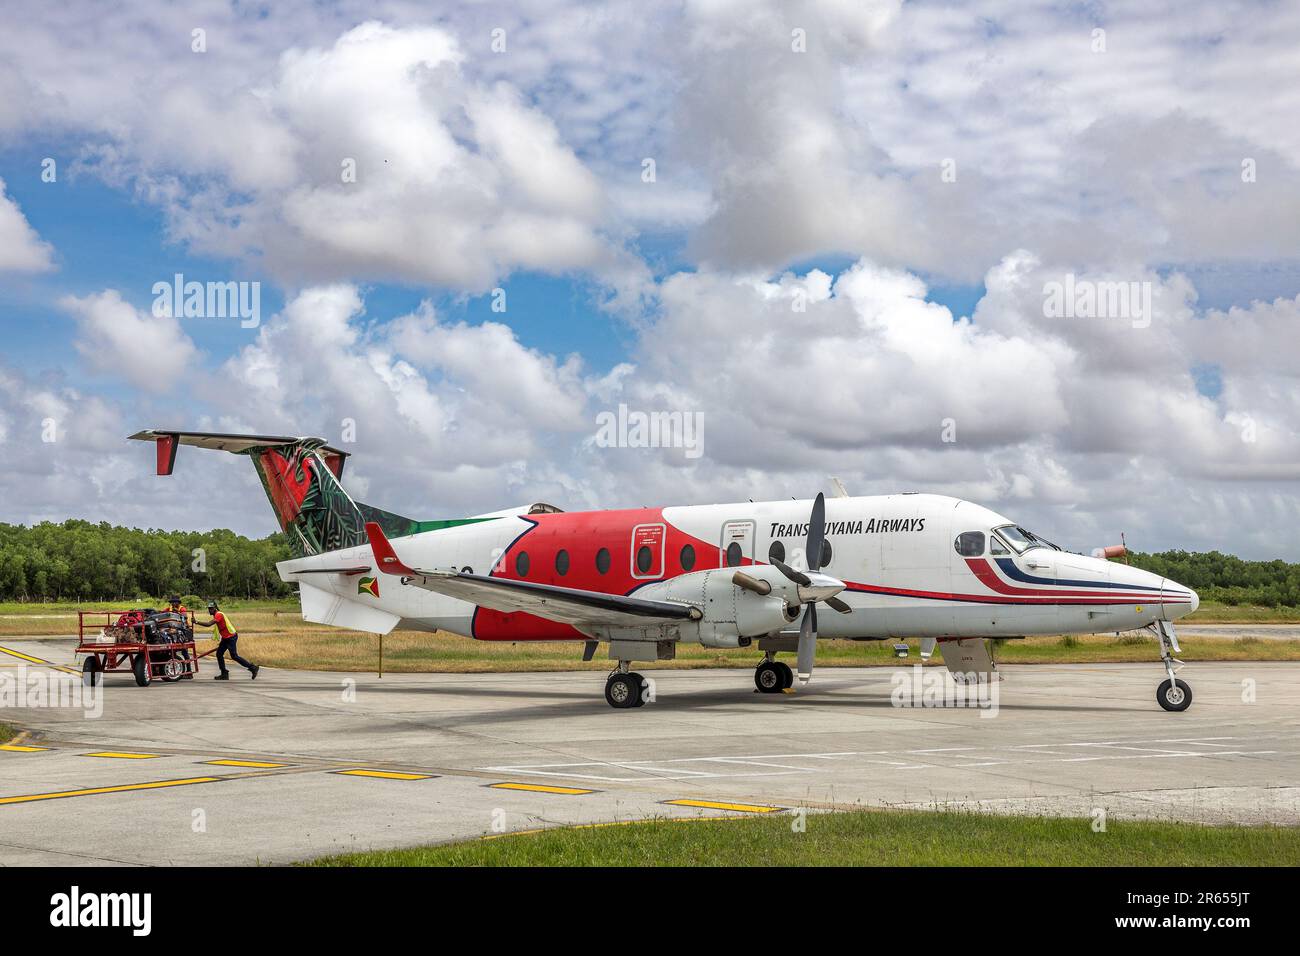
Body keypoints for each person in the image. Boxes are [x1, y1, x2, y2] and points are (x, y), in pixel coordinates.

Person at [193, 601, 260, 681]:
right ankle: (224, 673)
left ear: (215, 608)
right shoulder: (216, 615)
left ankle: (253, 668)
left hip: (231, 637)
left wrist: (196, 622)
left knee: (234, 656)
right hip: (226, 638)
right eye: (209, 609)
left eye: (211, 609)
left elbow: (209, 624)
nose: (209, 610)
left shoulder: (219, 615)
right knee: (219, 654)